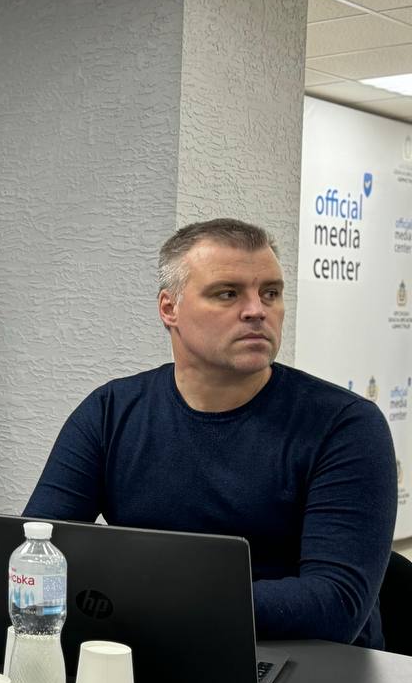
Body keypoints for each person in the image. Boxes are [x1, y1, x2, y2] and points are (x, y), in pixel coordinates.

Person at [25, 219, 396, 647]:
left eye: (270, 293)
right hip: (152, 650)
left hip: (305, 665)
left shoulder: (344, 425)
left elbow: (335, 604)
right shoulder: (111, 411)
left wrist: (144, 602)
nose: (257, 310)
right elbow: (33, 555)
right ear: (170, 309)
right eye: (228, 293)